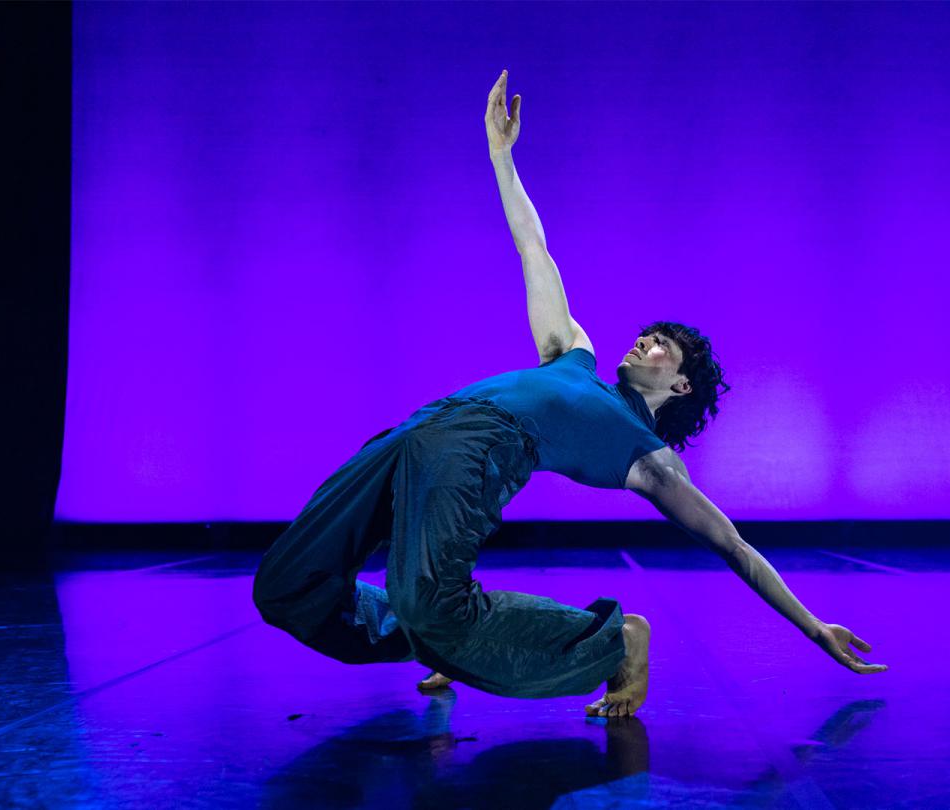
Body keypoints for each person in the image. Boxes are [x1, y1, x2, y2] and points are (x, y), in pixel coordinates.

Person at [251, 70, 887, 719]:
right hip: (412, 436)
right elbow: (534, 246)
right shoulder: (571, 355)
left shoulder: (647, 459)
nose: (645, 341)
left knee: (432, 606)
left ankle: (615, 641)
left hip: (470, 452)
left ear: (682, 383)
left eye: (663, 344)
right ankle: (435, 640)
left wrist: (813, 627)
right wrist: (502, 156)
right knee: (286, 587)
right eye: (647, 333)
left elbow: (735, 547)